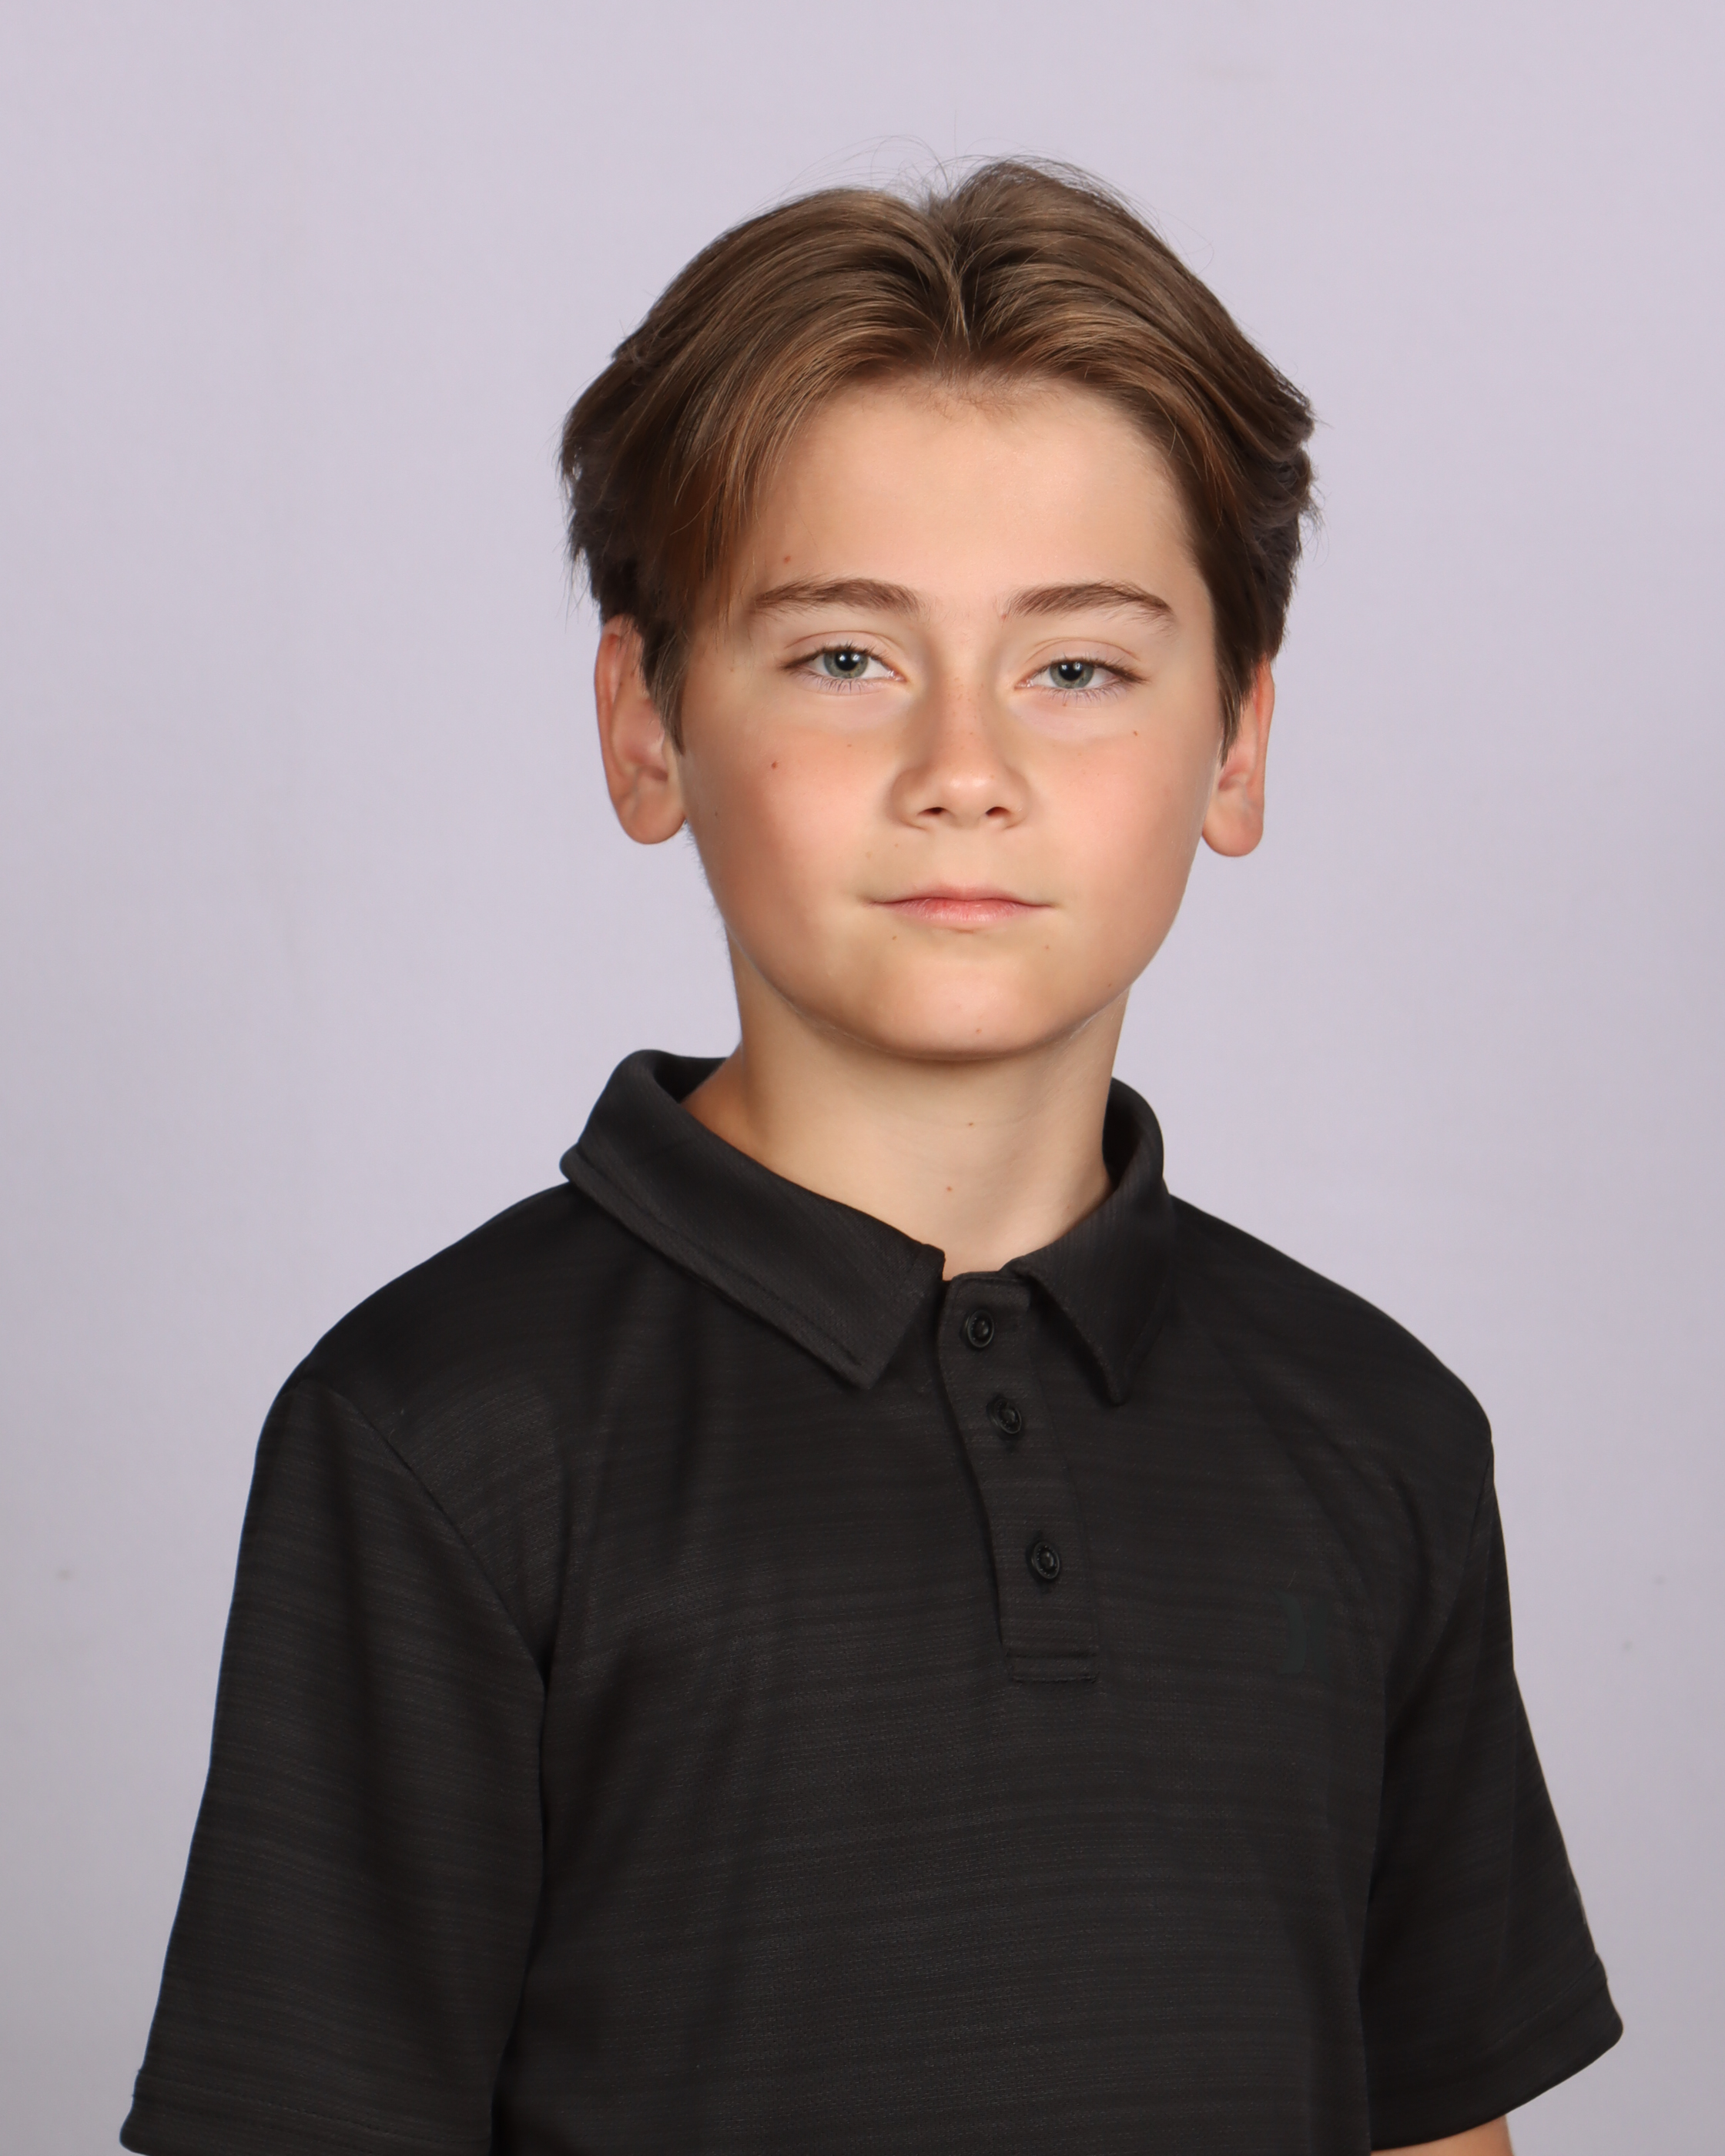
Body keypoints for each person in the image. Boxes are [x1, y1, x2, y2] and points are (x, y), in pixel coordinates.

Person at [122, 161, 1619, 2156]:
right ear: (646, 724)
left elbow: (1434, 2124)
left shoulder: (1379, 1433)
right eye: (846, 657)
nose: (965, 770)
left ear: (1239, 741)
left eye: (1078, 668)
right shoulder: (439, 1437)